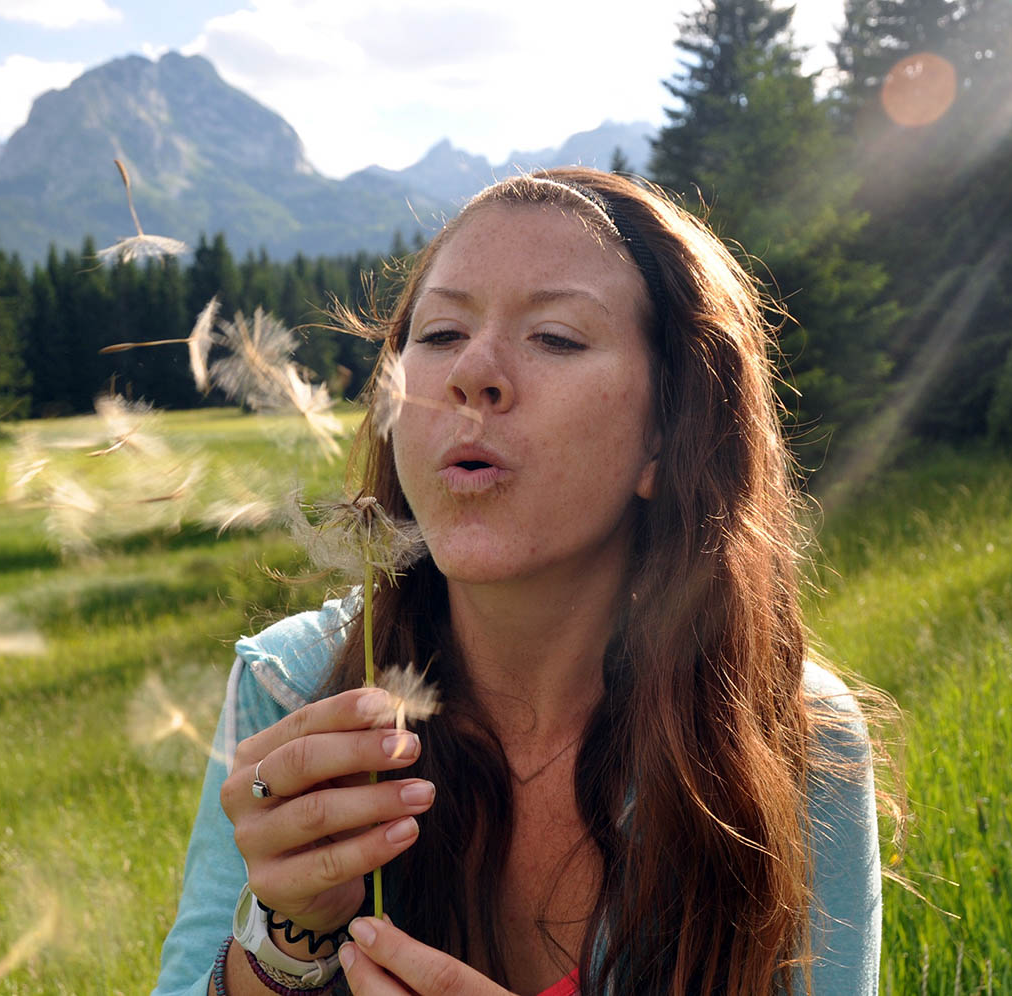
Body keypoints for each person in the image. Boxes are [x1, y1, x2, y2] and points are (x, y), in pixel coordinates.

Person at [151, 167, 883, 996]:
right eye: (437, 336)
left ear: (664, 439)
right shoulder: (294, 689)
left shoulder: (791, 739)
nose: (474, 373)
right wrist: (283, 944)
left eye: (556, 337)